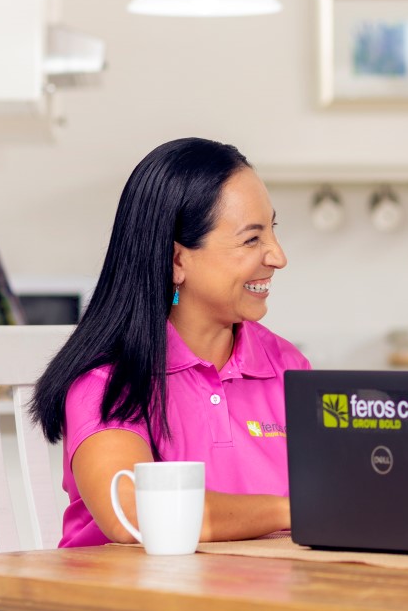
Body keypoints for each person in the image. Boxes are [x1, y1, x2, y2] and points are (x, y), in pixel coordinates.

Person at [30, 137, 309, 547]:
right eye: (252, 239)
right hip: (131, 607)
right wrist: (293, 509)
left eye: (272, 230)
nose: (277, 256)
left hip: (261, 601)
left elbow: (341, 492)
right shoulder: (107, 384)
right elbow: (135, 513)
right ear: (177, 260)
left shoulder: (286, 366)